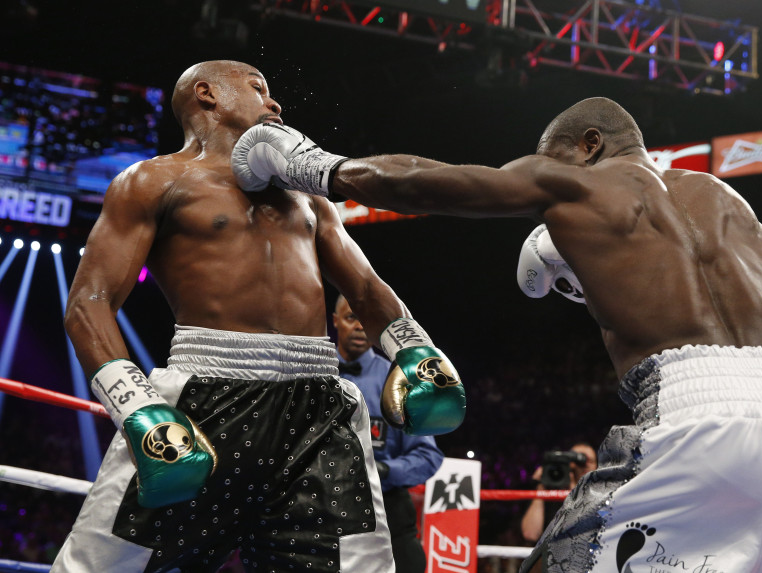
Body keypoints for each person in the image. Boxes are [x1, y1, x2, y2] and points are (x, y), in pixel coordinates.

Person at [231, 97, 762, 573]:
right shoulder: (729, 203)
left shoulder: (578, 182)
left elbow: (421, 180)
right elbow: (697, 293)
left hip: (694, 425)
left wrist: (308, 164)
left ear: (587, 146)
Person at [53, 60, 465, 573]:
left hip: (319, 405)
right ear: (207, 95)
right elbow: (87, 303)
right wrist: (138, 409)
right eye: (258, 89)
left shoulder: (308, 197)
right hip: (209, 394)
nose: (275, 104)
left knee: (354, 566)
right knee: (107, 566)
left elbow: (363, 287)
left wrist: (415, 350)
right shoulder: (154, 180)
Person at [333, 294, 443, 572]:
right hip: (324, 510)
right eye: (350, 317)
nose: (358, 326)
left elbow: (428, 455)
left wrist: (384, 470)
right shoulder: (314, 376)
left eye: (363, 319)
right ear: (335, 321)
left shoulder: (399, 378)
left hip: (388, 508)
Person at [519, 443, 596, 544]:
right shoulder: (550, 494)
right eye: (578, 461)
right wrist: (541, 486)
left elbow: (584, 533)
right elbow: (530, 534)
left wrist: (572, 490)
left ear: (596, 465)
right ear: (569, 464)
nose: (584, 464)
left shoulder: (604, 493)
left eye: (589, 460)